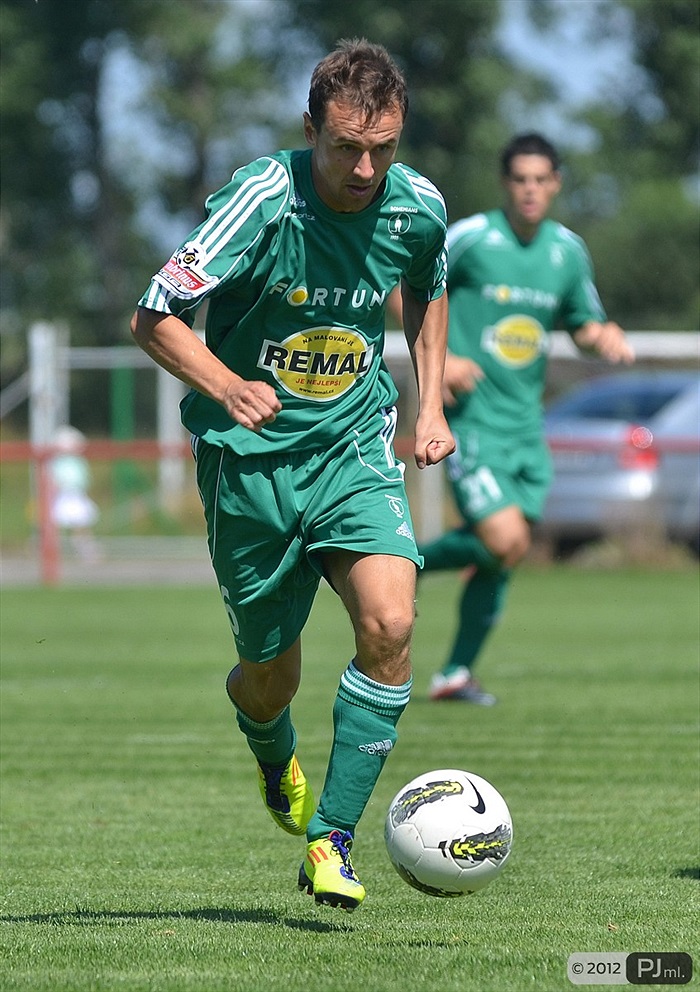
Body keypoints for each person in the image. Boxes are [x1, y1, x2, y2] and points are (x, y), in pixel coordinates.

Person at [130, 39, 454, 912]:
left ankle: (331, 841)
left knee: (390, 624)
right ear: (310, 130)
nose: (365, 169)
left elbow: (428, 288)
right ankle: (273, 754)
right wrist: (228, 385)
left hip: (353, 449)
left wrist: (428, 408)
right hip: (250, 466)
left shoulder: (418, 206)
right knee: (269, 676)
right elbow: (154, 314)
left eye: (383, 148)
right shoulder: (263, 198)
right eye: (346, 147)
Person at [394, 132, 635, 705]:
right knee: (503, 539)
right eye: (520, 179)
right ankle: (401, 563)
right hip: (472, 423)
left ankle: (455, 674)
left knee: (506, 551)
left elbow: (583, 321)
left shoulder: (567, 251)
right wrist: (446, 361)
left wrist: (601, 335)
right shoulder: (472, 238)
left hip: (528, 428)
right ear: (506, 183)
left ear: (555, 185)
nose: (530, 190)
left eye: (540, 180)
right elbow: (405, 289)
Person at [49, 425, 101, 562]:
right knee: (54, 524)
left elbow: (84, 481)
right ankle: (48, 549)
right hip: (63, 497)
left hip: (76, 496)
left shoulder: (78, 462)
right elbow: (54, 481)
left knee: (81, 525)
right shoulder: (58, 463)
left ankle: (85, 550)